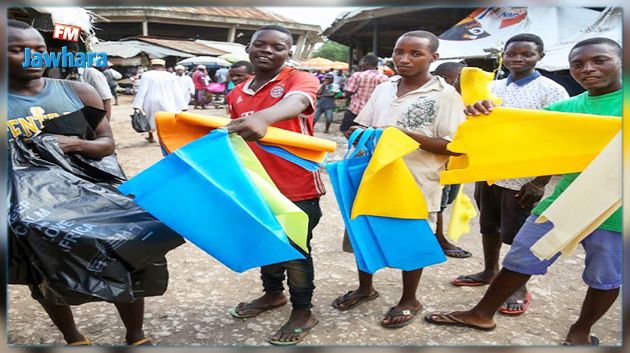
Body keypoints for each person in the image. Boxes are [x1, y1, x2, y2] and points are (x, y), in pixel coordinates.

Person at [425, 37, 622, 346]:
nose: (588, 69)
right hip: (566, 201)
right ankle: (481, 313)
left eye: (599, 60)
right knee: (521, 256)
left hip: (617, 211)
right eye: (578, 64)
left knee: (605, 275)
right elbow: (525, 134)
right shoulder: (566, 108)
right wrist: (485, 114)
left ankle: (580, 331)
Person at [7, 19, 153, 346]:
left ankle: (136, 334)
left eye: (39, 51)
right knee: (44, 275)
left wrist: (74, 144)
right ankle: (73, 337)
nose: (32, 58)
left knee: (121, 263)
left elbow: (106, 144)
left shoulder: (78, 92)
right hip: (32, 213)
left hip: (91, 202)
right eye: (17, 50)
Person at [332, 30, 465, 329]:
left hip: (415, 180)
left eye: (415, 53)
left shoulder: (444, 95)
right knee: (363, 232)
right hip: (372, 176)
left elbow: (454, 146)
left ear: (434, 57)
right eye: (399, 51)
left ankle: (409, 299)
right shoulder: (384, 87)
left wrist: (403, 137)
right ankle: (366, 288)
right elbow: (362, 125)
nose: (404, 59)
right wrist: (357, 133)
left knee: (411, 239)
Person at [450, 34, 569, 316]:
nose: (518, 59)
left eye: (527, 54)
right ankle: (490, 271)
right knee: (488, 226)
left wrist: (540, 181)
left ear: (540, 56)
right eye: (512, 53)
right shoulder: (490, 86)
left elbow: (560, 138)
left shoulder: (552, 90)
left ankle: (517, 287)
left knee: (517, 234)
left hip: (523, 176)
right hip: (489, 170)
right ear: (504, 55)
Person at [225, 24, 324, 346]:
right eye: (260, 44)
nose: (267, 50)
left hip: (297, 185)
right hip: (256, 184)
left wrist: (264, 118)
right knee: (265, 241)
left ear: (288, 53)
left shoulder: (300, 80)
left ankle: (303, 311)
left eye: (277, 47)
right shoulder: (236, 93)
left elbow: (296, 102)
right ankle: (272, 295)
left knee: (294, 251)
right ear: (248, 49)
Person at [432, 61, 472, 259]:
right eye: (461, 79)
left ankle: (437, 236)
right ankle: (438, 238)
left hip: (456, 159)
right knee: (438, 201)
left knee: (446, 199)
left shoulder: (467, 100)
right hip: (441, 159)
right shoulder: (442, 99)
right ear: (447, 80)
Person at [132, 58, 187, 143]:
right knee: (168, 118)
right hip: (167, 100)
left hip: (151, 100)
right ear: (163, 66)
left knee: (150, 117)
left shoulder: (147, 75)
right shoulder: (170, 75)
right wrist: (183, 105)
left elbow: (142, 90)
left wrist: (137, 105)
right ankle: (167, 137)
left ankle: (151, 136)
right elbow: (177, 91)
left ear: (152, 66)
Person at [339, 54, 389, 138]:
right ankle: (364, 148)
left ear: (366, 63)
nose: (360, 64)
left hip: (355, 110)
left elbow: (348, 92)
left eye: (361, 62)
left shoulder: (358, 75)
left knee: (345, 129)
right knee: (367, 134)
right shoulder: (385, 78)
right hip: (373, 113)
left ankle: (359, 149)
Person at [61, 42, 114, 121]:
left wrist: (105, 127)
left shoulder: (92, 74)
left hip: (91, 121)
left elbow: (106, 101)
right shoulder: (64, 75)